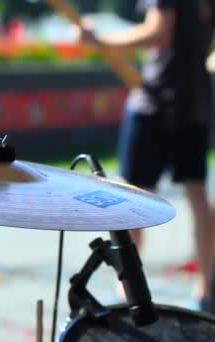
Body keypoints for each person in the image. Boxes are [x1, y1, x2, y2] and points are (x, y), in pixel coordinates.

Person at [76, 0, 215, 309]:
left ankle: (128, 291)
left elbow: (158, 33)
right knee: (196, 193)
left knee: (132, 196)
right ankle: (206, 288)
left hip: (155, 103)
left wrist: (100, 40)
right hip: (195, 102)